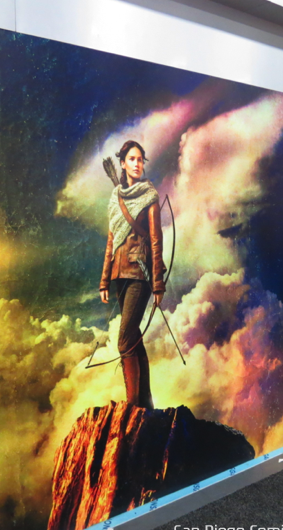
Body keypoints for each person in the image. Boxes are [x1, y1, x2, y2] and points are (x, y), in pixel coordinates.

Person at [100, 141, 166, 408]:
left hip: (140, 274)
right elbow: (111, 241)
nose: (137, 164)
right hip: (120, 274)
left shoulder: (150, 197)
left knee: (125, 340)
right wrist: (104, 280)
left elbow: (156, 241)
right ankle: (146, 405)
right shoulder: (115, 198)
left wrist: (158, 284)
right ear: (123, 163)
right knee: (134, 337)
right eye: (132, 159)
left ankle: (133, 405)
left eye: (140, 159)